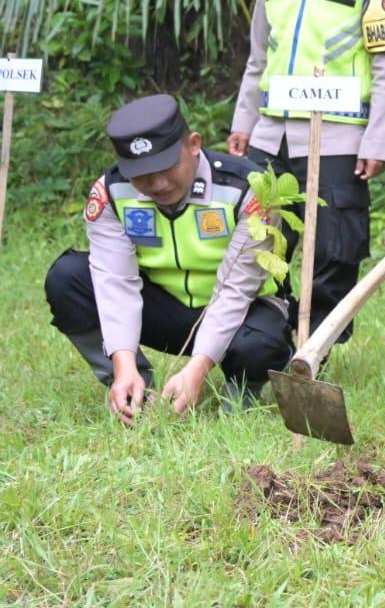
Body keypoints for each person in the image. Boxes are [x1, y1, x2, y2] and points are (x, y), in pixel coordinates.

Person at [228, 0, 385, 341]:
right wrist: (243, 122)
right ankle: (266, 333)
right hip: (272, 132)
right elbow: (258, 54)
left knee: (334, 245)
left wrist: (377, 142)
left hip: (339, 134)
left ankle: (317, 342)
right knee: (259, 236)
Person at [44, 95, 293, 422]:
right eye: (142, 175)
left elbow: (236, 291)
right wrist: (124, 363)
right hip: (165, 308)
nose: (158, 184)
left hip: (240, 313)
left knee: (260, 345)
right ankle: (131, 387)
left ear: (193, 145)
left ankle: (241, 392)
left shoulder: (248, 189)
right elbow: (115, 282)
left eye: (167, 167)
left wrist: (197, 370)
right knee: (67, 279)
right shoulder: (109, 194)